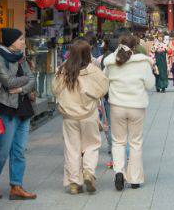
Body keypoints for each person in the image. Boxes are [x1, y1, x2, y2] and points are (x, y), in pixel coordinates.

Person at [53, 38, 109, 195]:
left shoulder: (63, 69)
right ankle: (88, 172)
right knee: (91, 145)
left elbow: (55, 89)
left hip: (69, 115)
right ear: (87, 53)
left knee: (72, 148)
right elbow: (103, 88)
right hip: (89, 114)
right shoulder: (93, 70)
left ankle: (74, 183)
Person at [0, 28, 37, 200]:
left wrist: (22, 88)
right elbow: (7, 82)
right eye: (21, 39)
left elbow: (33, 78)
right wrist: (26, 81)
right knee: (2, 150)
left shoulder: (21, 57)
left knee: (20, 150)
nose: (23, 42)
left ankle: (16, 186)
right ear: (11, 40)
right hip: (7, 109)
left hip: (23, 108)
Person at [103, 34, 155, 191]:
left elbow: (104, 82)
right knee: (135, 142)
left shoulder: (111, 63)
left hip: (117, 106)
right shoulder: (142, 62)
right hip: (137, 106)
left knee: (118, 141)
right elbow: (150, 84)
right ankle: (135, 178)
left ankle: (119, 171)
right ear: (135, 46)